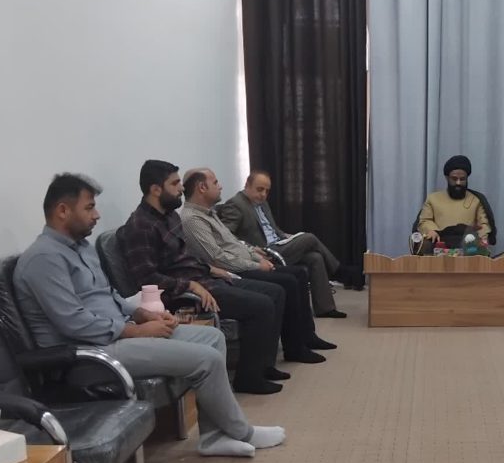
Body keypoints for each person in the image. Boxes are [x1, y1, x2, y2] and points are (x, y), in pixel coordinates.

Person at [14, 173, 286, 457]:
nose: (97, 215)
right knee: (206, 359)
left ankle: (213, 436)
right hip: (90, 353)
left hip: (118, 334)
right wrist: (136, 331)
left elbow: (109, 295)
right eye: (89, 207)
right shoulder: (44, 259)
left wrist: (144, 314)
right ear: (62, 210)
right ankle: (243, 432)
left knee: (212, 338)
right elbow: (73, 322)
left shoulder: (81, 248)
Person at [118, 160, 290, 395]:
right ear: (155, 189)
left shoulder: (169, 216)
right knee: (261, 305)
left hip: (203, 279)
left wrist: (209, 268)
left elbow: (185, 258)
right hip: (182, 295)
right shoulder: (140, 227)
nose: (181, 188)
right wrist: (190, 285)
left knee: (276, 292)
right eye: (175, 184)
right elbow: (147, 279)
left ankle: (264, 366)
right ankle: (248, 378)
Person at [179, 167, 336, 363]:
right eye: (216, 182)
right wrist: (255, 265)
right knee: (289, 280)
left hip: (246, 261)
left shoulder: (209, 213)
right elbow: (216, 258)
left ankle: (306, 336)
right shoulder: (193, 219)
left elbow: (235, 243)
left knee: (299, 274)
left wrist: (256, 256)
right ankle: (294, 348)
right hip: (231, 271)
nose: (221, 186)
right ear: (202, 187)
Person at [219, 169, 356, 318]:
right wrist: (251, 248)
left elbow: (273, 229)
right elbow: (226, 237)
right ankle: (339, 271)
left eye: (266, 191)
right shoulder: (235, 204)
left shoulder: (262, 203)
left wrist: (286, 236)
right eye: (259, 189)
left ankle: (325, 308)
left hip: (279, 244)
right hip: (264, 252)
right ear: (247, 185)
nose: (263, 194)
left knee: (315, 257)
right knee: (309, 238)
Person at [414, 155, 494, 248]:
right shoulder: (433, 199)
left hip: (467, 248)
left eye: (462, 179)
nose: (458, 183)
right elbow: (424, 220)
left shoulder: (476, 200)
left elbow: (484, 225)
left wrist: (479, 240)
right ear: (447, 178)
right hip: (438, 247)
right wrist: (431, 230)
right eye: (454, 179)